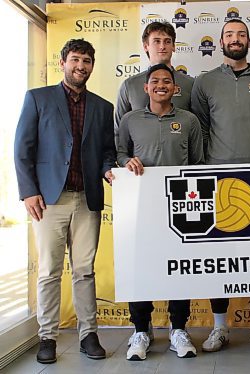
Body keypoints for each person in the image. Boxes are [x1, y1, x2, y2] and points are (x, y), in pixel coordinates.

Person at [14, 39, 116, 364]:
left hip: (87, 199)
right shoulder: (37, 99)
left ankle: (89, 334)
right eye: (75, 60)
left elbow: (107, 153)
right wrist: (29, 190)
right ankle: (47, 337)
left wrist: (110, 171)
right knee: (48, 271)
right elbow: (22, 149)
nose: (81, 66)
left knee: (84, 270)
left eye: (87, 61)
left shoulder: (103, 107)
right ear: (63, 63)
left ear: (92, 66)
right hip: (48, 200)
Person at [191, 19, 250, 352]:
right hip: (218, 181)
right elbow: (200, 129)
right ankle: (219, 327)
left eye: (241, 34)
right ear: (221, 41)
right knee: (219, 257)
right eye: (230, 35)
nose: (236, 39)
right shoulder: (205, 82)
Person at [115, 21, 195, 356]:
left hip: (180, 201)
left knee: (179, 262)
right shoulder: (131, 114)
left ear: (175, 87)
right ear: (145, 87)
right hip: (140, 202)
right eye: (155, 40)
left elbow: (198, 157)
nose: (161, 85)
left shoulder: (189, 111)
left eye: (167, 40)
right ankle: (141, 330)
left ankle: (178, 328)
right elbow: (118, 150)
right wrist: (122, 165)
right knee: (140, 263)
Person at [115, 21, 194, 138]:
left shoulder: (190, 84)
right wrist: (124, 157)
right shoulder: (130, 85)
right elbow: (119, 131)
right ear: (146, 46)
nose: (162, 46)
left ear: (173, 46)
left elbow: (197, 129)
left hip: (177, 155)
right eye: (157, 41)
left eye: (167, 41)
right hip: (138, 155)